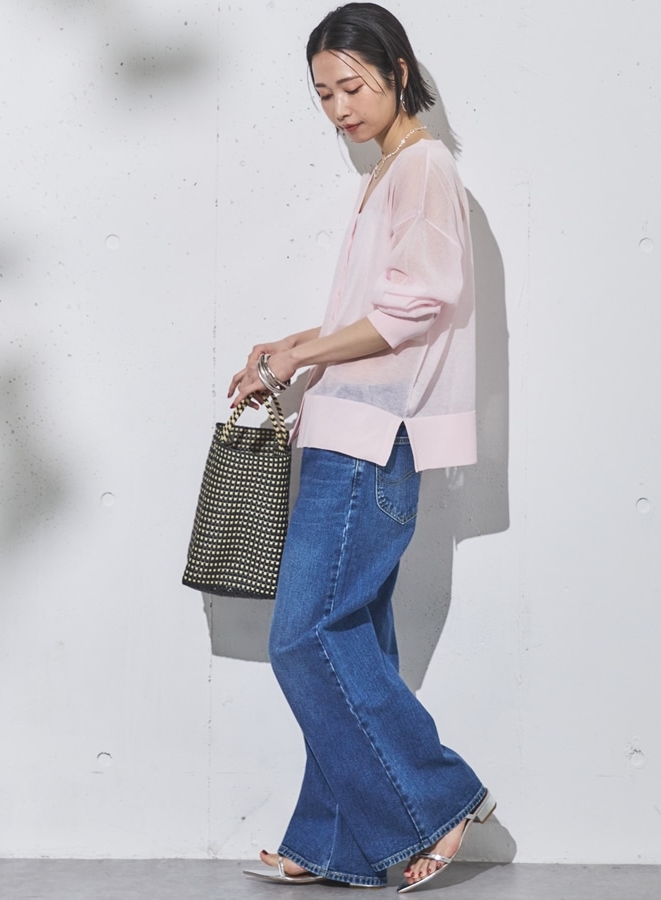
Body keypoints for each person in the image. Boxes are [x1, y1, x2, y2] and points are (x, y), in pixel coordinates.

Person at [229, 3, 495, 893]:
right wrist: (294, 345)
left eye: (352, 86)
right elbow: (372, 315)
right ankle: (336, 841)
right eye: (323, 94)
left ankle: (439, 797)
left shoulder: (422, 168)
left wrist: (302, 357)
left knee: (306, 638)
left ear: (399, 72)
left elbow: (415, 307)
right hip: (352, 430)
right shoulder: (390, 171)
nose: (339, 107)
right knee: (350, 643)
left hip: (373, 441)